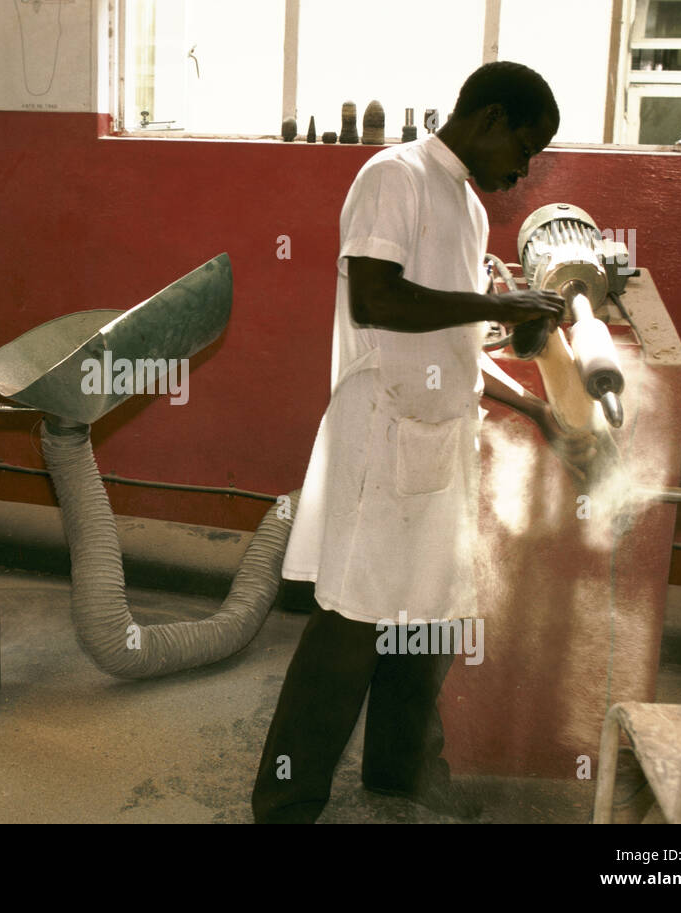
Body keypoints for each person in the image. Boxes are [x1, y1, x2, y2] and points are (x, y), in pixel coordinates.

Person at [252, 62, 596, 823]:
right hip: (384, 433)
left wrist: (535, 408)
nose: (524, 169)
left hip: (437, 441)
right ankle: (283, 804)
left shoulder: (468, 209)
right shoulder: (394, 175)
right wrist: (496, 299)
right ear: (492, 118)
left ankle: (396, 776)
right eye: (526, 148)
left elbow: (458, 341)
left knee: (425, 622)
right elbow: (376, 296)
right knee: (349, 629)